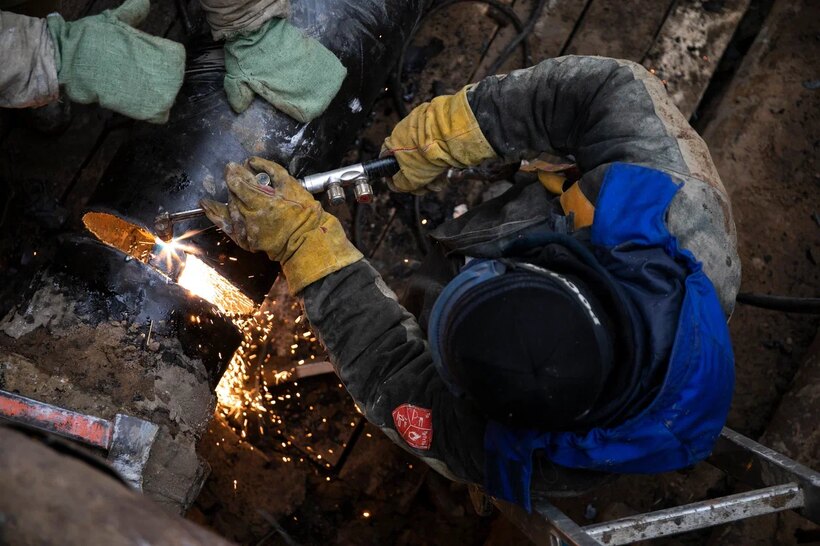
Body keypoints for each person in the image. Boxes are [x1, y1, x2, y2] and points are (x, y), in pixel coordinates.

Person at [201, 55, 741, 510]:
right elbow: (608, 88)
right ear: (552, 267)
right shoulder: (662, 205)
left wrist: (306, 247)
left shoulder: (525, 456)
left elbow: (390, 371)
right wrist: (460, 128)